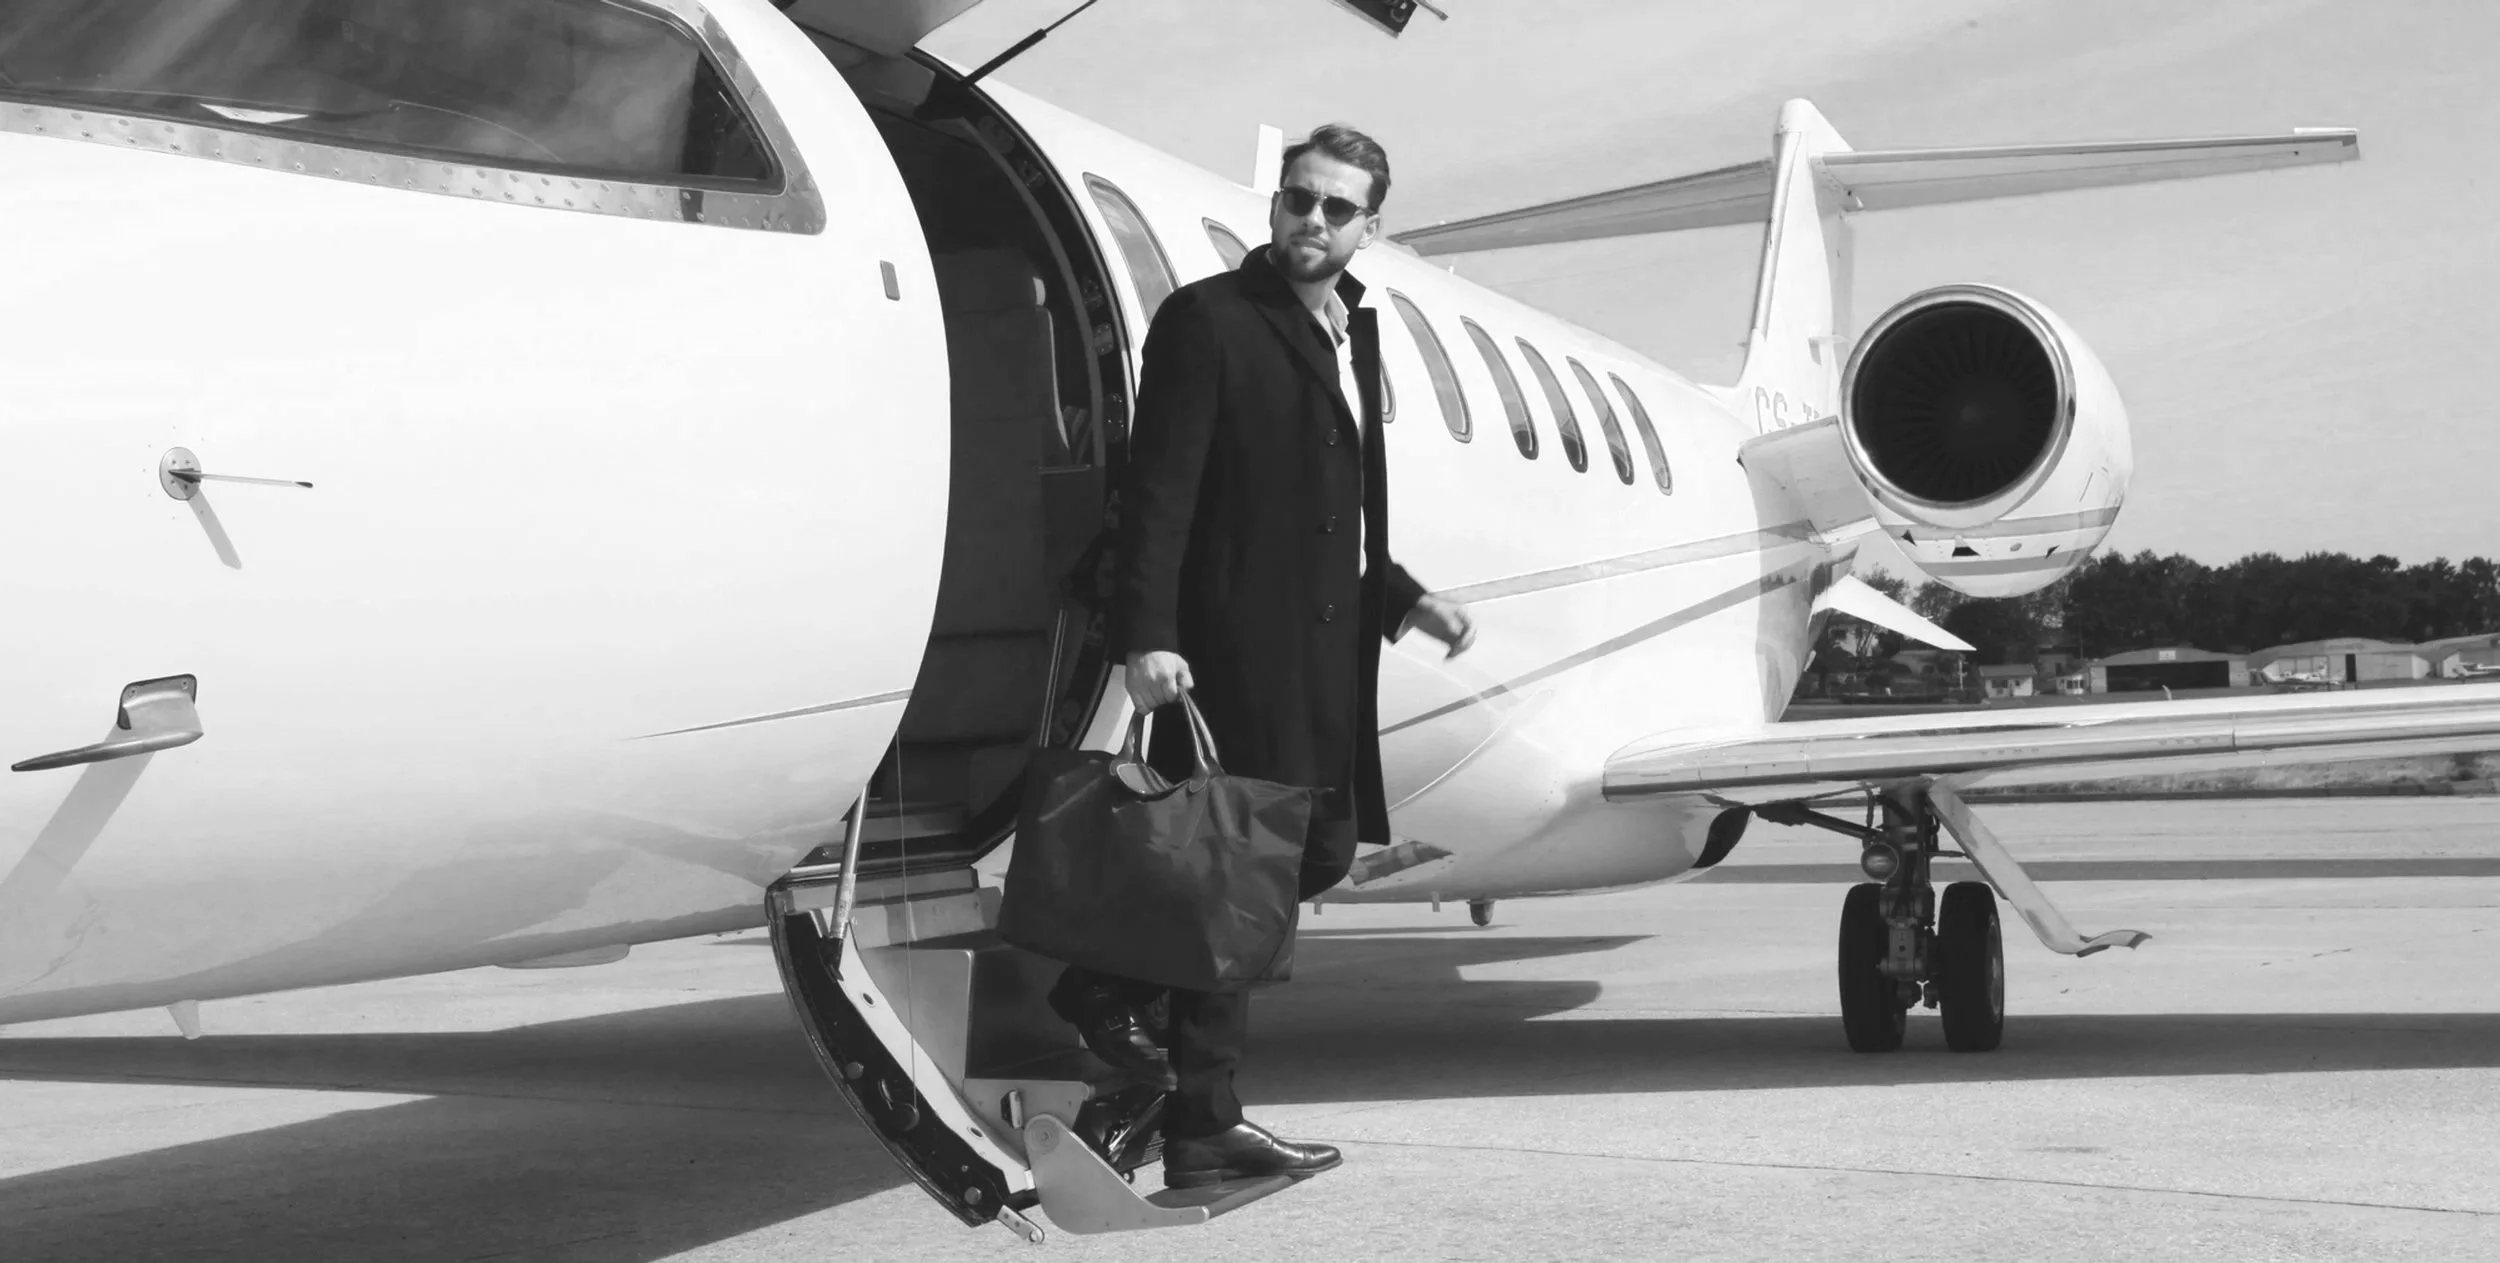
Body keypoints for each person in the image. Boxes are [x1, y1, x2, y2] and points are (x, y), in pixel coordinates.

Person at [1045, 123, 1476, 1189]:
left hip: (1326, 646)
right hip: (1234, 645)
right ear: (1276, 204)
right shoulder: (1209, 321)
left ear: (1371, 227)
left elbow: (1327, 510)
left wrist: (1405, 598)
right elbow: (1161, 490)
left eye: (1336, 209)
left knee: (1314, 854)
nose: (1310, 222)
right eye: (1298, 200)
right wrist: (1148, 635)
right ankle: (1203, 1121)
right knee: (1244, 868)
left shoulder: (1354, 328)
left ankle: (1108, 991)